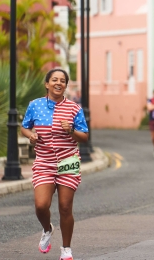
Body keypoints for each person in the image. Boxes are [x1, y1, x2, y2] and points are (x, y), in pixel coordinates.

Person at [20, 68, 89, 260]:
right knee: (41, 205)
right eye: (54, 80)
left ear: (66, 85)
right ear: (47, 84)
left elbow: (84, 137)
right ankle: (47, 228)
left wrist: (71, 131)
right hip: (44, 162)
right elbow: (24, 127)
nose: (59, 83)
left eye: (63, 81)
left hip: (68, 162)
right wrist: (31, 136)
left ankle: (66, 249)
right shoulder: (35, 105)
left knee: (65, 207)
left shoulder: (74, 108)